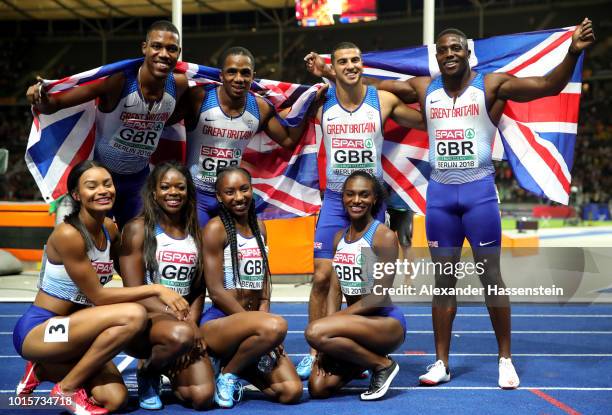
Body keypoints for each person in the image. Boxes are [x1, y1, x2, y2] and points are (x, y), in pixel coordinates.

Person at [305, 19, 595, 388]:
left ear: (468, 52)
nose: (449, 54)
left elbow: (547, 86)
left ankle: (505, 359)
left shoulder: (491, 84)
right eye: (443, 50)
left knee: (492, 277)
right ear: (437, 57)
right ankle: (441, 362)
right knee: (443, 283)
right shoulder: (424, 88)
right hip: (441, 198)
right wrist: (329, 72)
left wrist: (572, 50)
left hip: (479, 196)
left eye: (456, 48)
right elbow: (365, 87)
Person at [12, 160, 190, 415]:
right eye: (92, 186)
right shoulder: (68, 235)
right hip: (42, 330)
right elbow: (99, 296)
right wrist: (157, 289)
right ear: (76, 194)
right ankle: (67, 387)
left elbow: (127, 274)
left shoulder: (109, 229)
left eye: (107, 184)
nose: (103, 190)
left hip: (81, 329)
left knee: (115, 400)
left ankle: (40, 370)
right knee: (133, 315)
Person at [296, 41, 424, 380]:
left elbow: (429, 124)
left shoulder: (381, 100)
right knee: (323, 277)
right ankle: (314, 351)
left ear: (361, 65)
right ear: (332, 68)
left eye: (355, 60)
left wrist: (441, 97)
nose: (351, 65)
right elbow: (289, 119)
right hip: (336, 202)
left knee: (362, 284)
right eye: (343, 62)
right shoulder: (321, 103)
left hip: (369, 206)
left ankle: (353, 350)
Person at [26, 21, 189, 228]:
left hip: (139, 179)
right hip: (102, 177)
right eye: (157, 46)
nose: (164, 54)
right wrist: (39, 97)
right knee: (98, 241)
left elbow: (175, 116)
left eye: (171, 49)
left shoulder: (179, 85)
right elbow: (55, 104)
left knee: (135, 240)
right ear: (144, 48)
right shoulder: (118, 82)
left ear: (179, 53)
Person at [170, 46, 319, 226]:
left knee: (234, 251)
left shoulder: (260, 108)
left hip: (232, 198)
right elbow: (165, 120)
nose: (239, 78)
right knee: (200, 248)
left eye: (245, 73)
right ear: (221, 75)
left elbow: (288, 140)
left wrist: (308, 104)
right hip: (197, 195)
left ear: (252, 76)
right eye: (232, 72)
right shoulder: (199, 97)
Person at [199, 166, 302, 408]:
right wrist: (257, 324)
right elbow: (215, 290)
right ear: (219, 197)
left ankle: (239, 368)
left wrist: (262, 320)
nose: (239, 197)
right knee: (277, 325)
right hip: (220, 323)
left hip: (255, 323)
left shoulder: (260, 226)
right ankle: (227, 375)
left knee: (291, 391)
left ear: (252, 189)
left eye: (244, 189)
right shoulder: (215, 228)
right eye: (230, 191)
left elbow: (263, 279)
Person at [120, 161, 214, 410]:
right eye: (165, 187)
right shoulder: (137, 229)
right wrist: (185, 323)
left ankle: (169, 363)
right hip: (150, 318)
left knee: (201, 396)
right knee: (181, 335)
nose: (173, 192)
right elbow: (135, 293)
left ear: (188, 192)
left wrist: (191, 321)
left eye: (180, 187)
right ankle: (149, 370)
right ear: (153, 192)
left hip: (182, 322)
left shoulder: (195, 231)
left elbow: (197, 289)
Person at [305, 170, 406, 401]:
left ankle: (383, 364)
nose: (356, 200)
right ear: (342, 198)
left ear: (374, 199)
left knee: (314, 331)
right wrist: (327, 342)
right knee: (318, 387)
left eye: (364, 195)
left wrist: (329, 325)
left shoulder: (383, 237)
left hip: (383, 323)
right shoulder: (339, 237)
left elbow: (377, 297)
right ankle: (363, 359)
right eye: (350, 194)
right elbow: (334, 290)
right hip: (352, 325)